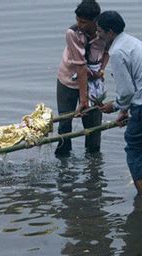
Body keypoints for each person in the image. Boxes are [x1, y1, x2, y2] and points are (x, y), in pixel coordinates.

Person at [96, 11, 142, 196]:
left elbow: (127, 91)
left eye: (100, 31)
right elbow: (134, 87)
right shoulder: (132, 42)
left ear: (110, 32)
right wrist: (124, 110)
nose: (98, 35)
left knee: (135, 149)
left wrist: (116, 106)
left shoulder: (117, 52)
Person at [55, 0, 109, 157]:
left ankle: (93, 160)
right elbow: (80, 66)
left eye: (83, 22)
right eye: (77, 20)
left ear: (95, 21)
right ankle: (63, 158)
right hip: (69, 80)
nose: (79, 24)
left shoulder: (104, 32)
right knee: (65, 123)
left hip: (93, 81)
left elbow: (107, 51)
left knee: (93, 124)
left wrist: (101, 70)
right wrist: (83, 100)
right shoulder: (72, 33)